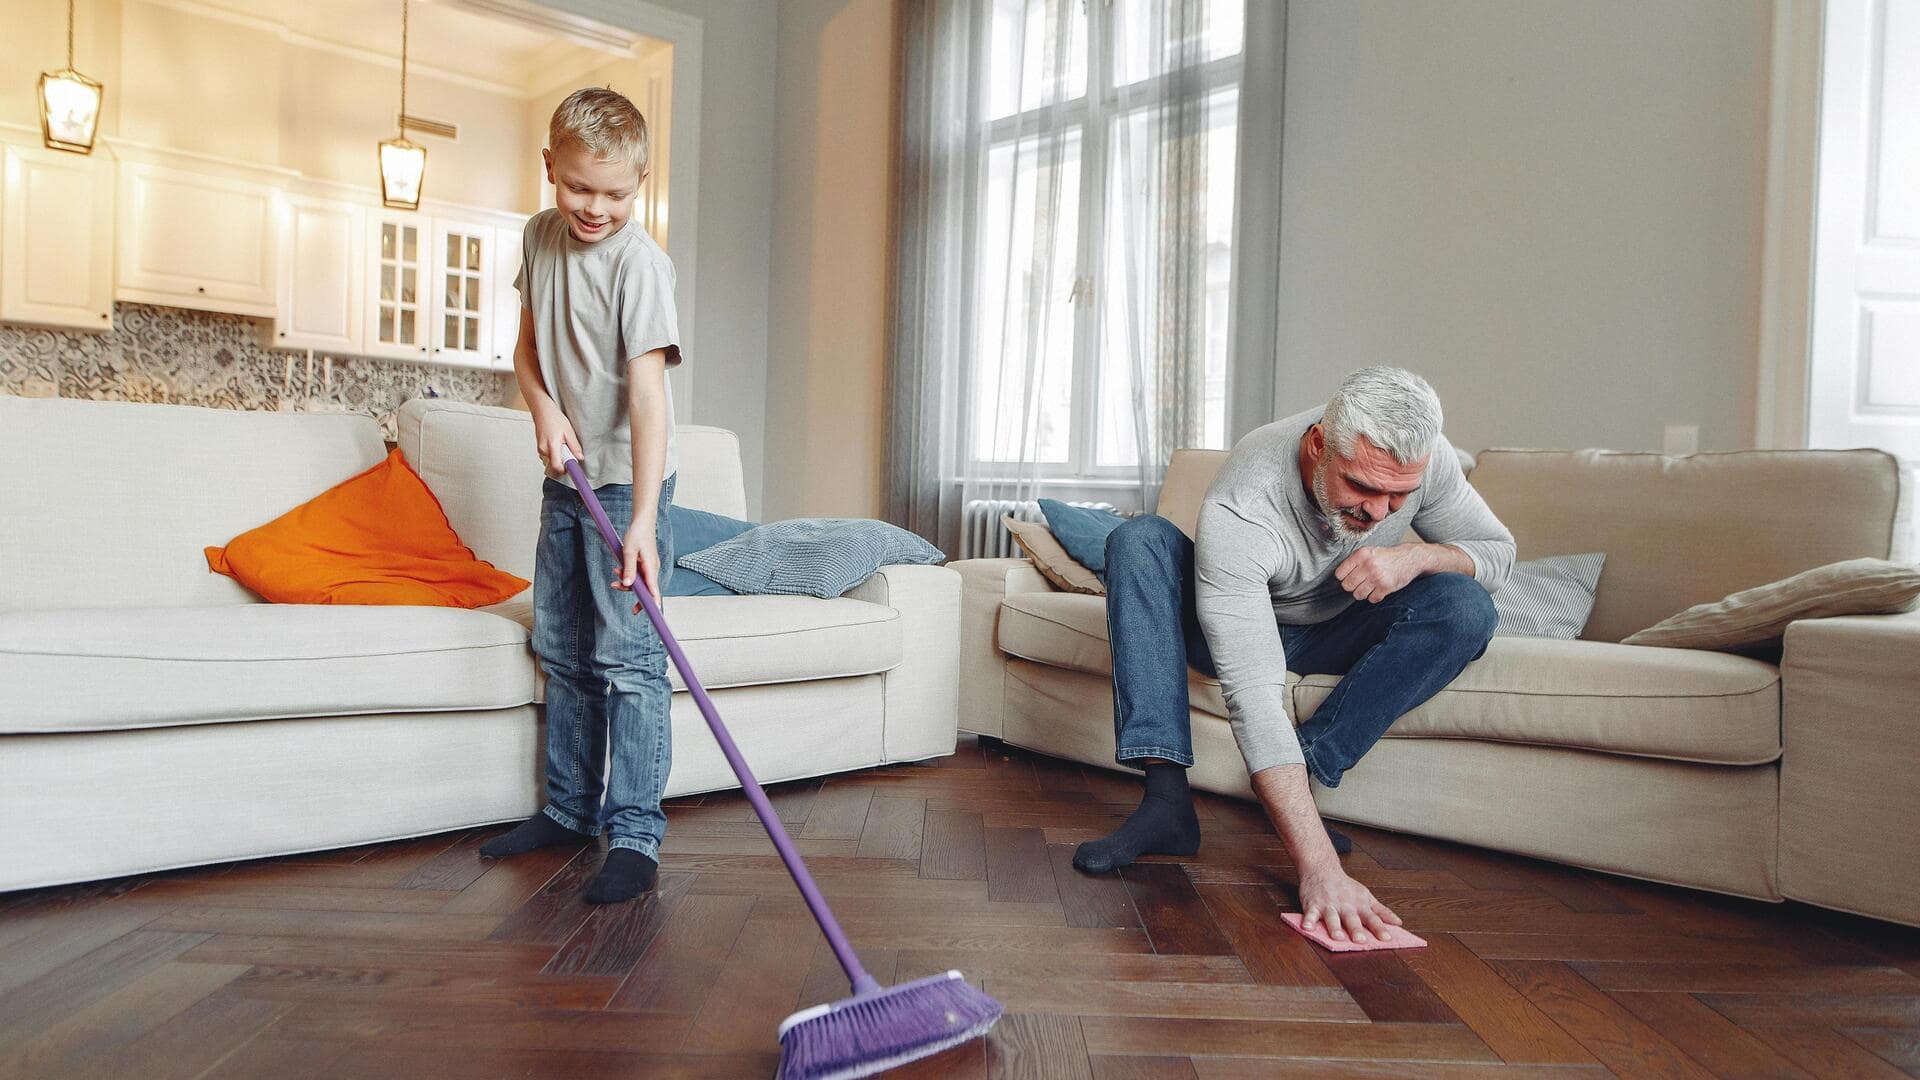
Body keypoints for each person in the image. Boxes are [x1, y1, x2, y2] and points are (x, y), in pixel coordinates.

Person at [1073, 366, 1514, 943]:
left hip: (1335, 623)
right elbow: (1254, 695)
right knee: (1138, 540)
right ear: (1317, 446)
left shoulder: (1424, 463)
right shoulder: (1245, 501)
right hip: (1228, 620)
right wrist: (1319, 871)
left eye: (1398, 496)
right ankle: (1166, 804)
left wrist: (1417, 557)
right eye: (1361, 488)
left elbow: (1498, 552)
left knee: (1466, 607)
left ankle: (1303, 772)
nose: (1380, 513)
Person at [477, 87, 684, 905]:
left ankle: (634, 835)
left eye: (616, 193)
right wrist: (544, 408)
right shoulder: (537, 236)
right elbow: (525, 352)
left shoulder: (642, 265)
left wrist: (640, 519)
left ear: (640, 182)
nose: (595, 208)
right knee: (563, 651)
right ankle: (568, 810)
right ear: (549, 170)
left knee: (628, 663)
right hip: (567, 483)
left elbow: (647, 398)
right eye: (578, 188)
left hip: (629, 483)